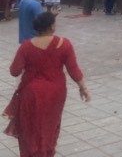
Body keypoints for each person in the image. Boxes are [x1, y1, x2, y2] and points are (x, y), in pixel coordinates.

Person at [3, 12, 90, 157]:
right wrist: (83, 87)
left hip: (31, 94)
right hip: (55, 94)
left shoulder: (26, 47)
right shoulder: (65, 44)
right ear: (52, 26)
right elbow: (73, 69)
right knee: (49, 126)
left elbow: (14, 71)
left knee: (30, 127)